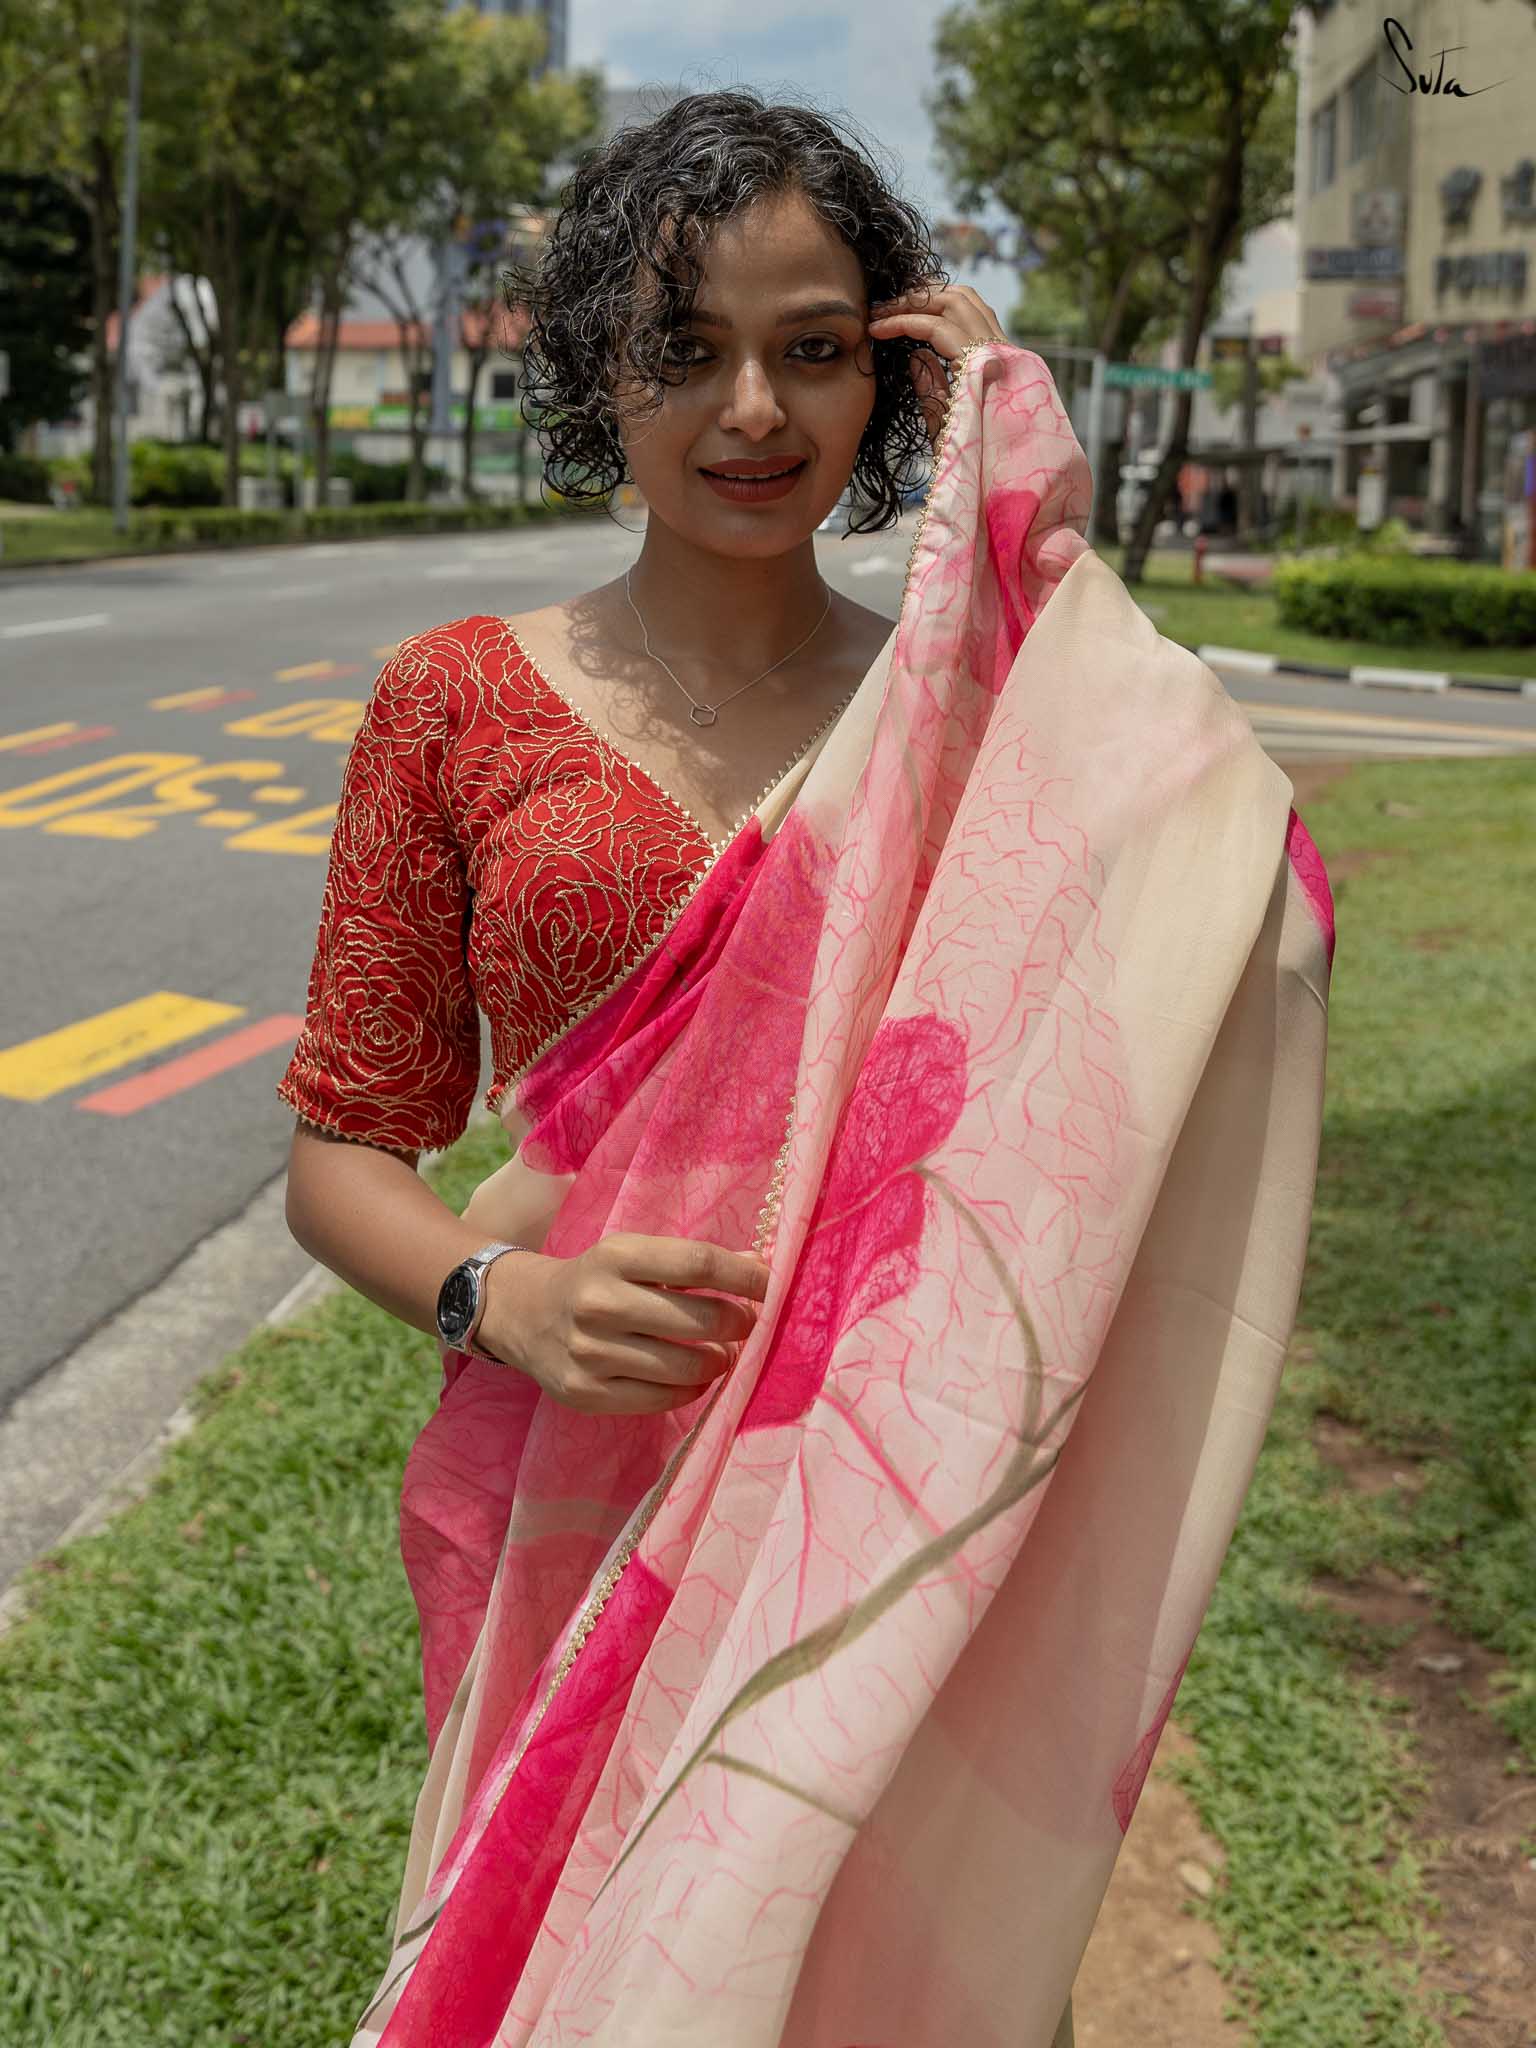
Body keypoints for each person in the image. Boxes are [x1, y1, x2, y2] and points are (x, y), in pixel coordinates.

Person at [277, 90, 1333, 2048]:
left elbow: (1222, 883)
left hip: (883, 1488)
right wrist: (501, 1297)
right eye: (684, 347)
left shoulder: (971, 731)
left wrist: (1020, 480)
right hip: (564, 1493)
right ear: (605, 365)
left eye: (816, 346)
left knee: (847, 1964)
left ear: (886, 369)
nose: (752, 406)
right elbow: (344, 1149)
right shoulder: (455, 703)